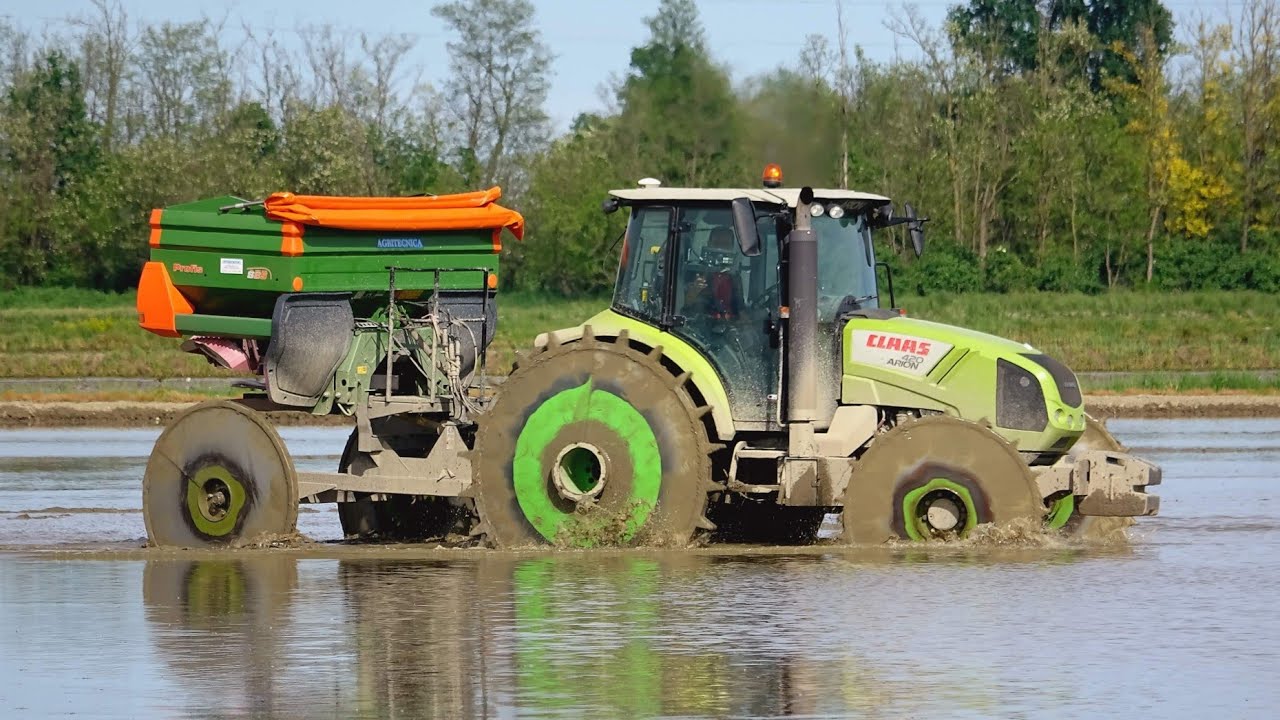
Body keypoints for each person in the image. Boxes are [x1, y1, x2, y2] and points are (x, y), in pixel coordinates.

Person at [683, 226, 741, 320]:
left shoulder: (734, 277)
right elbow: (680, 305)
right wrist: (694, 290)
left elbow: (740, 309)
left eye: (725, 245)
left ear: (731, 247)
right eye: (717, 244)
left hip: (729, 326)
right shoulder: (694, 271)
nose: (720, 249)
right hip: (699, 327)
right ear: (709, 244)